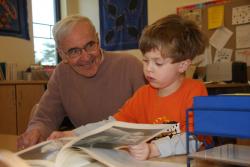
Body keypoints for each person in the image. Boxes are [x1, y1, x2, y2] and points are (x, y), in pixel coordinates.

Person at [48, 14, 208, 160]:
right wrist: (73, 134)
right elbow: (112, 124)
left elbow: (194, 138)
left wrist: (153, 149)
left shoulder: (195, 91)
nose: (148, 69)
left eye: (158, 63)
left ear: (182, 65)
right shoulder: (144, 94)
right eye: (146, 61)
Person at [17, 15, 146, 150]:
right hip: (87, 153)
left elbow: (154, 115)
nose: (85, 57)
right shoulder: (62, 74)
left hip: (133, 152)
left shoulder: (130, 65)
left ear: (97, 39)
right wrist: (35, 131)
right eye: (74, 51)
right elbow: (45, 118)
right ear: (62, 54)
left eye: (90, 45)